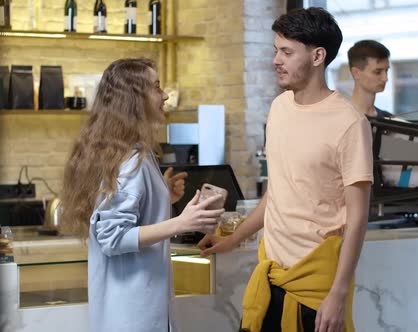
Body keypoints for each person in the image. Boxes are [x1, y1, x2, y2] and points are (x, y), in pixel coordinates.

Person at [198, 7, 373, 332]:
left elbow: (358, 217)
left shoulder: (350, 123)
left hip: (318, 282)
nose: (276, 60)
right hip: (270, 271)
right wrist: (233, 239)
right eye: (276, 50)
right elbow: (277, 194)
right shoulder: (279, 108)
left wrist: (339, 291)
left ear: (318, 55)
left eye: (286, 52)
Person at [60, 58, 225, 332]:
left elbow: (126, 215)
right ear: (134, 99)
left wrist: (161, 198)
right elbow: (112, 238)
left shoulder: (128, 151)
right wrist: (181, 223)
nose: (165, 95)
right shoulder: (130, 159)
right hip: (134, 316)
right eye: (156, 87)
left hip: (128, 312)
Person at [347, 40, 391, 118]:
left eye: (386, 71)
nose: (385, 78)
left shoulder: (389, 120)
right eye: (377, 72)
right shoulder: (340, 118)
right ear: (356, 73)